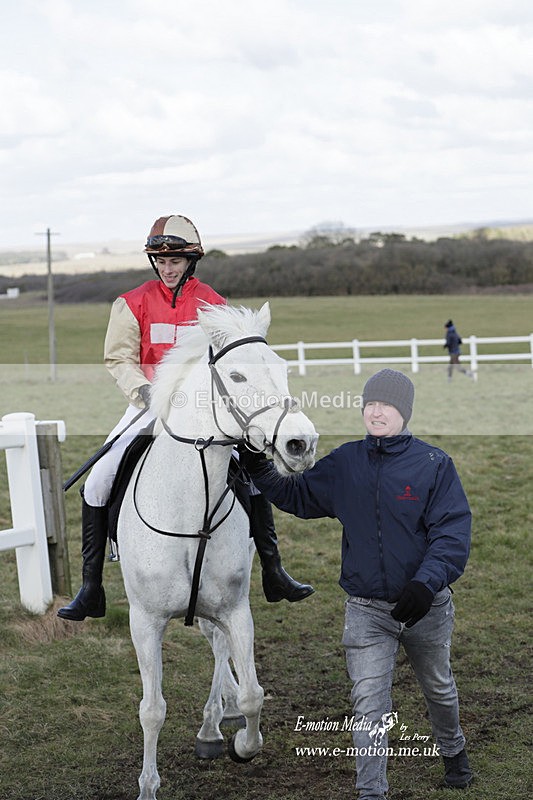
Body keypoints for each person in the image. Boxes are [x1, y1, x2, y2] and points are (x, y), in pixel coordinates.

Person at [58, 214, 313, 622]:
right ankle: (91, 587)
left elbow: (235, 358)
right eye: (160, 259)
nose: (167, 266)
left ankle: (273, 569)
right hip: (148, 405)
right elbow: (119, 358)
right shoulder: (131, 302)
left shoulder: (212, 303)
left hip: (206, 413)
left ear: (191, 261)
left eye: (175, 259)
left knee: (250, 471)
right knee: (99, 480)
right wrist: (143, 391)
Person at [239, 369, 473, 797]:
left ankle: (453, 750)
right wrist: (257, 466)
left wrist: (425, 585)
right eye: (370, 404)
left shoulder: (434, 465)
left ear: (405, 412)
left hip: (427, 608)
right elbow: (298, 495)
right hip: (366, 611)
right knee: (368, 705)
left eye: (386, 405)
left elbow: (452, 534)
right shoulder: (345, 462)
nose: (376, 411)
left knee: (438, 688)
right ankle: (371, 792)